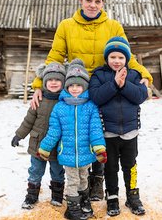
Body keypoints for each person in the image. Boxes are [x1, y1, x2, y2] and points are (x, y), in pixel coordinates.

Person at [30, 0, 153, 201]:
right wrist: (39, 83)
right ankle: (76, 179)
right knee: (76, 133)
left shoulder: (113, 26)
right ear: (81, 1)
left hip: (105, 86)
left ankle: (98, 180)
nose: (93, 5)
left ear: (103, 3)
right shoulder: (66, 26)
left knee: (100, 132)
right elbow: (55, 57)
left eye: (97, 1)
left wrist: (144, 74)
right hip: (76, 88)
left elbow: (128, 57)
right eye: (89, 0)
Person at [38, 59, 107, 220]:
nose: (75, 89)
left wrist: (99, 148)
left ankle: (84, 201)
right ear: (67, 87)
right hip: (68, 154)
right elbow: (54, 131)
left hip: (86, 153)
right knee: (73, 181)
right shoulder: (60, 107)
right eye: (71, 86)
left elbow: (95, 129)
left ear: (84, 86)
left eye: (78, 85)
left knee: (84, 179)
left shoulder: (90, 106)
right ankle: (72, 208)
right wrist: (45, 147)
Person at [89, 37, 148, 216]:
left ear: (127, 59)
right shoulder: (99, 75)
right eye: (113, 57)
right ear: (107, 58)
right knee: (111, 167)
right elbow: (96, 96)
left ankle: (132, 195)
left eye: (121, 57)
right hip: (108, 132)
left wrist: (124, 85)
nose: (117, 61)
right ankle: (112, 196)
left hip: (130, 132)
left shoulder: (134, 75)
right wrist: (114, 83)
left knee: (130, 165)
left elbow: (140, 96)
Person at [11, 62, 66, 209]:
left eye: (57, 80)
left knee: (57, 171)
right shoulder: (38, 100)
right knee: (35, 171)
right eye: (50, 80)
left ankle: (57, 196)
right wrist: (19, 135)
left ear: (64, 82)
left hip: (57, 147)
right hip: (38, 143)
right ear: (44, 82)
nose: (53, 83)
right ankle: (31, 196)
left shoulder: (66, 102)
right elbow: (28, 121)